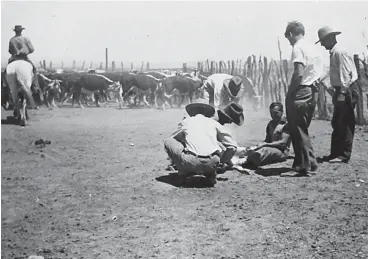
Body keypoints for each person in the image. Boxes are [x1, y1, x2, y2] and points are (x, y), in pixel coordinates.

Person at [163, 100, 244, 186]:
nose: (230, 122)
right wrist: (222, 163)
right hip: (209, 160)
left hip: (191, 157)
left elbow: (177, 140)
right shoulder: (213, 122)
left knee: (170, 141)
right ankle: (208, 172)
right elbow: (231, 146)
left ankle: (186, 170)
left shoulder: (188, 121)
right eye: (230, 120)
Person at [283, 21, 322, 176]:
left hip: (301, 90)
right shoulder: (313, 48)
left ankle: (303, 167)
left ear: (291, 34)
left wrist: (290, 91)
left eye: (289, 38)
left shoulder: (298, 47)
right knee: (303, 127)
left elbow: (298, 73)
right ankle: (310, 162)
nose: (289, 42)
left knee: (297, 128)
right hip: (312, 90)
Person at [316, 26, 359, 163]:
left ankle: (344, 155)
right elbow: (330, 70)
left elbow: (346, 74)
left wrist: (343, 93)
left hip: (345, 89)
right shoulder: (334, 52)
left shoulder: (339, 52)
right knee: (337, 122)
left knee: (345, 122)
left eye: (323, 41)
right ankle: (335, 153)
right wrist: (318, 79)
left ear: (330, 38)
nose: (322, 44)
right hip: (340, 89)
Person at [237, 102, 291, 169]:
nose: (273, 115)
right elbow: (267, 140)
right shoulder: (271, 124)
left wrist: (266, 144)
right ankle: (248, 158)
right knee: (254, 149)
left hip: (282, 151)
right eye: (271, 113)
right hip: (271, 148)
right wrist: (259, 145)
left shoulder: (286, 124)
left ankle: (248, 161)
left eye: (275, 113)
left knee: (265, 150)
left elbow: (283, 142)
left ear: (282, 112)